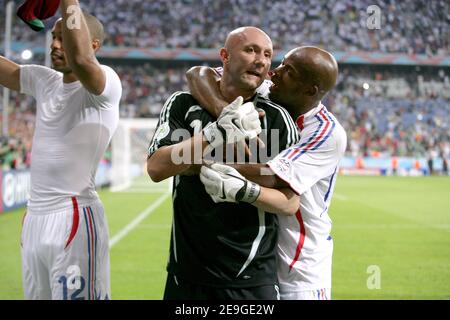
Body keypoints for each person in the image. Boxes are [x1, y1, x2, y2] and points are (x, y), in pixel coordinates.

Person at [146, 26, 299, 300]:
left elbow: (289, 201)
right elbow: (156, 168)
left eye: (267, 54)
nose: (261, 60)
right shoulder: (183, 104)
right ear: (224, 56)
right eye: (250, 50)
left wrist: (244, 189)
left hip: (252, 281)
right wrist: (217, 132)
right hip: (187, 278)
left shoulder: (277, 119)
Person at [188, 46, 347, 300]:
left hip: (299, 273)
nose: (274, 72)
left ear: (310, 90)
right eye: (282, 64)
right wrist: (225, 113)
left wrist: (198, 163)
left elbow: (272, 176)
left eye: (289, 71)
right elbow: (198, 74)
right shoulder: (267, 91)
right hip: (257, 268)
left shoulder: (326, 133)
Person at [0, 0, 122, 299]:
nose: (55, 45)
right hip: (33, 219)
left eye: (63, 37)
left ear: (92, 44)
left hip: (75, 216)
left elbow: (81, 60)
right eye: (53, 37)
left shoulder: (106, 84)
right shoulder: (45, 81)